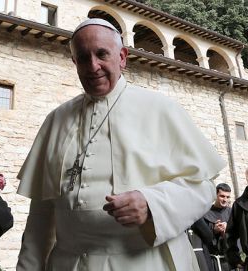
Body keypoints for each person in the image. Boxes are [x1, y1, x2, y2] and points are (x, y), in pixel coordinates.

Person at [16, 18, 226, 271]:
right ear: (74, 63)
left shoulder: (159, 109)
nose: (93, 66)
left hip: (145, 262)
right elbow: (41, 213)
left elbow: (203, 188)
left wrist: (152, 204)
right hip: (69, 263)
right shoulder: (56, 120)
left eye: (102, 54)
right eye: (83, 58)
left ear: (122, 57)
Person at [203, 183, 232, 271]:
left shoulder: (233, 213)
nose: (225, 200)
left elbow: (239, 236)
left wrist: (228, 232)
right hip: (213, 260)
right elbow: (201, 238)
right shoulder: (205, 213)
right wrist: (213, 230)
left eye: (227, 197)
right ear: (215, 195)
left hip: (230, 259)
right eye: (222, 196)